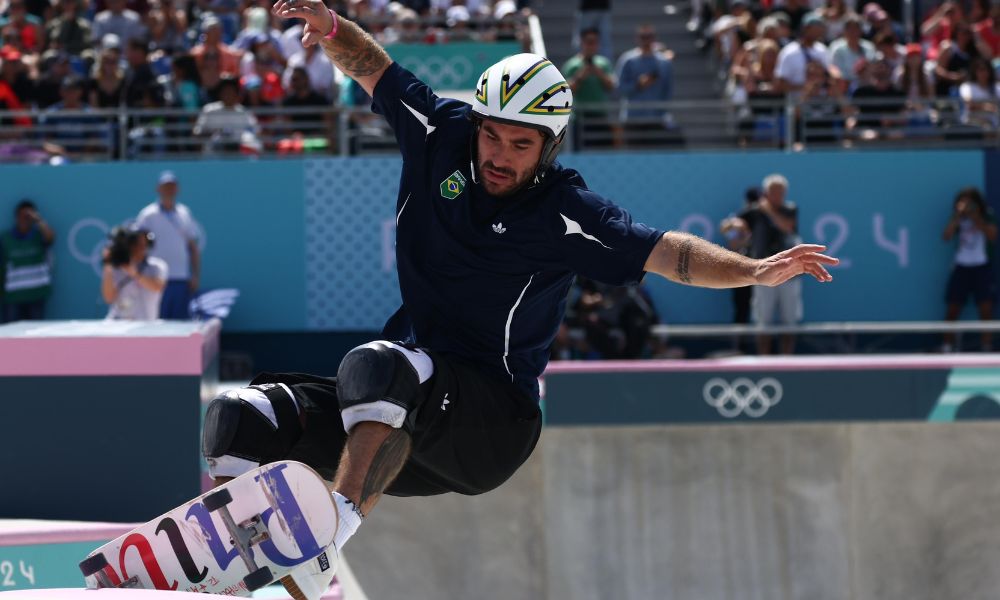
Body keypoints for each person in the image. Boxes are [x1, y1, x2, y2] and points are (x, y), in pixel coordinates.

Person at [201, 4, 839, 599]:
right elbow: (376, 69)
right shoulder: (440, 135)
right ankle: (258, 577)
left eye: (520, 145)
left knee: (377, 365)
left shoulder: (565, 211)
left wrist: (755, 269)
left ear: (549, 147)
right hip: (405, 418)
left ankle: (329, 536)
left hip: (490, 424)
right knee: (238, 417)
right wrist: (335, 27)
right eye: (493, 137)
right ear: (476, 125)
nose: (499, 157)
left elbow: (668, 253)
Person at [733, 174, 802, 355]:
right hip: (763, 273)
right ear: (766, 192)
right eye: (773, 192)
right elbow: (735, 223)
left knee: (789, 322)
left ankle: (787, 361)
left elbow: (787, 226)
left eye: (781, 192)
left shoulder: (790, 209)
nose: (778, 195)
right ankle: (765, 360)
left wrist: (767, 210)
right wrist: (733, 226)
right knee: (763, 321)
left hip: (790, 273)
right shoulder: (755, 211)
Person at [135, 170, 201, 319]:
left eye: (172, 186)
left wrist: (195, 275)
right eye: (165, 186)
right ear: (158, 188)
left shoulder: (184, 213)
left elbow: (193, 247)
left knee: (180, 325)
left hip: (180, 278)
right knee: (156, 322)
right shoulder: (147, 215)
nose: (169, 190)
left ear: (177, 189)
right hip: (155, 278)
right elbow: (137, 247)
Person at [941, 186, 997, 352]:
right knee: (953, 307)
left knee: (985, 308)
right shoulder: (957, 217)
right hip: (961, 267)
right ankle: (947, 344)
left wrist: (976, 217)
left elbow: (993, 236)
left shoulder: (987, 216)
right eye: (963, 202)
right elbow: (946, 236)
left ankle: (986, 345)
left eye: (970, 202)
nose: (967, 206)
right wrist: (958, 216)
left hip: (981, 267)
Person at [0, 200, 54, 323]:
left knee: (35, 336)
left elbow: (51, 238)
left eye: (28, 216)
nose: (24, 219)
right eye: (22, 216)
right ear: (16, 217)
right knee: (10, 336)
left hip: (36, 294)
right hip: (12, 296)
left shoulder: (39, 236)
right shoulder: (5, 238)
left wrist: (39, 220)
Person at [101, 225, 168, 320]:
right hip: (117, 324)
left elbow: (157, 287)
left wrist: (135, 273)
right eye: (134, 243)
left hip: (146, 326)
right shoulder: (115, 268)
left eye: (142, 243)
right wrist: (108, 264)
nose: (139, 247)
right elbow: (108, 298)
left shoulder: (157, 266)